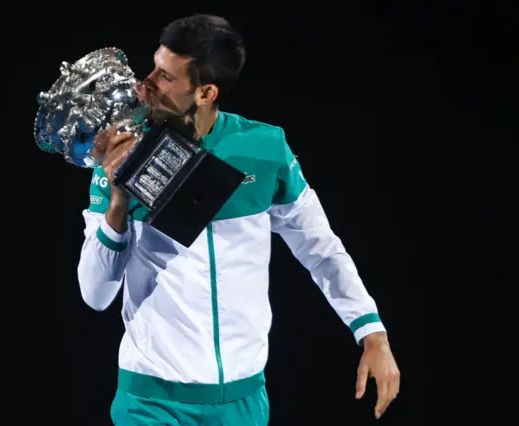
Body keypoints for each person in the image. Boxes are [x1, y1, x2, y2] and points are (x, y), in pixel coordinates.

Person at [77, 13, 400, 425]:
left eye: (165, 76)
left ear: (206, 92)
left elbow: (320, 249)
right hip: (150, 403)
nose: (145, 84)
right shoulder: (120, 157)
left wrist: (372, 332)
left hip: (244, 404)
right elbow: (95, 294)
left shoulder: (265, 149)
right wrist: (118, 203)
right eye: (153, 66)